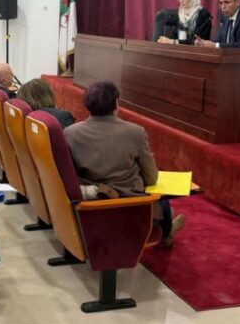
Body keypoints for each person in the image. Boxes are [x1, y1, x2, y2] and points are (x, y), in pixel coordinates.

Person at [63, 81, 184, 246]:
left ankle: (166, 229)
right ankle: (167, 233)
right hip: (126, 204)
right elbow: (151, 177)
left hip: (87, 203)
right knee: (162, 198)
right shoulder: (135, 132)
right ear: (116, 104)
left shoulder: (70, 132)